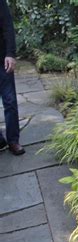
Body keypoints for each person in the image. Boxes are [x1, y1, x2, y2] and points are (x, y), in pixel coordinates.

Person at [0, 0, 25, 155]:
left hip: (2, 59)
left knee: (9, 101)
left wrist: (10, 54)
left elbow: (8, 26)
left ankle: (13, 141)